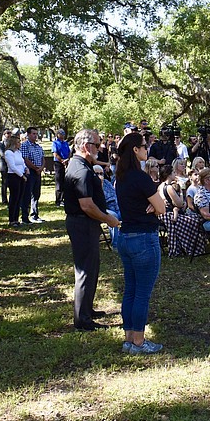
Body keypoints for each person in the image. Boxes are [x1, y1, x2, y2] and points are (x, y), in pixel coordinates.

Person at [114, 132, 166, 354]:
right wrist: (154, 206)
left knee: (131, 291)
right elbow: (162, 208)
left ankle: (129, 338)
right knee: (142, 293)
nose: (147, 149)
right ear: (135, 149)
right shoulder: (141, 178)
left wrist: (153, 205)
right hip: (144, 238)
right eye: (144, 146)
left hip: (125, 237)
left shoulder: (121, 177)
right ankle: (138, 342)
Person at [63, 129, 120, 331]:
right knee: (85, 271)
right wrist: (107, 218)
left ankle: (87, 309)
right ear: (86, 146)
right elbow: (87, 205)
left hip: (85, 223)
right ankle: (82, 320)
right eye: (97, 144)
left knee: (91, 268)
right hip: (82, 223)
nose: (100, 147)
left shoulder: (82, 165)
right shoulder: (81, 171)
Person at [20, 126, 45, 224]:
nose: (35, 136)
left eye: (36, 134)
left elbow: (43, 158)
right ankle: (25, 217)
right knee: (27, 194)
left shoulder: (38, 146)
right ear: (28, 134)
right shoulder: (25, 145)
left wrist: (41, 168)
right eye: (33, 134)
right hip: (30, 172)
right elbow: (25, 159)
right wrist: (35, 168)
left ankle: (34, 215)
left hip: (38, 172)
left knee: (36, 194)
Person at [4, 134, 27, 227]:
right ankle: (11, 219)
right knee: (14, 198)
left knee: (19, 198)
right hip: (14, 176)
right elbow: (12, 166)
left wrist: (25, 168)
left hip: (21, 176)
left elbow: (22, 162)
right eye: (18, 142)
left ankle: (16, 219)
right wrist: (22, 175)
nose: (19, 144)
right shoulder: (8, 153)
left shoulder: (18, 152)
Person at [52, 129, 70, 207]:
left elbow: (69, 152)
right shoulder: (55, 143)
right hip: (58, 163)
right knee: (59, 182)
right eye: (61, 134)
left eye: (63, 134)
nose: (62, 135)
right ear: (58, 134)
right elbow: (55, 154)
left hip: (66, 163)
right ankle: (58, 200)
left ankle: (63, 199)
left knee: (65, 181)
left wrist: (67, 159)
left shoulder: (65, 143)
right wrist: (62, 161)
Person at [0, 129, 11, 205]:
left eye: (10, 133)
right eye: (7, 133)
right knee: (4, 183)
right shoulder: (0, 144)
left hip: (11, 166)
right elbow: (2, 154)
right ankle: (4, 199)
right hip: (4, 166)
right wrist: (9, 160)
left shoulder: (12, 143)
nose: (9, 135)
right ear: (4, 134)